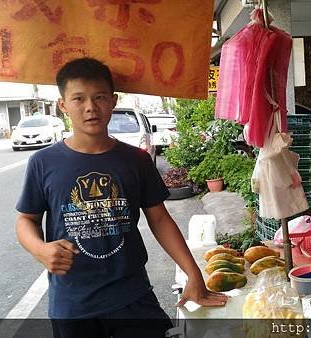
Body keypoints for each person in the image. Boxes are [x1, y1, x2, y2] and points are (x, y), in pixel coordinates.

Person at [15, 57, 228, 337]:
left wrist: (193, 273)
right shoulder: (44, 162)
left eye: (99, 97)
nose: (90, 107)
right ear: (63, 105)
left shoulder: (135, 160)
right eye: (78, 98)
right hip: (73, 305)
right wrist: (40, 250)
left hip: (132, 296)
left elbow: (160, 220)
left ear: (113, 101)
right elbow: (26, 220)